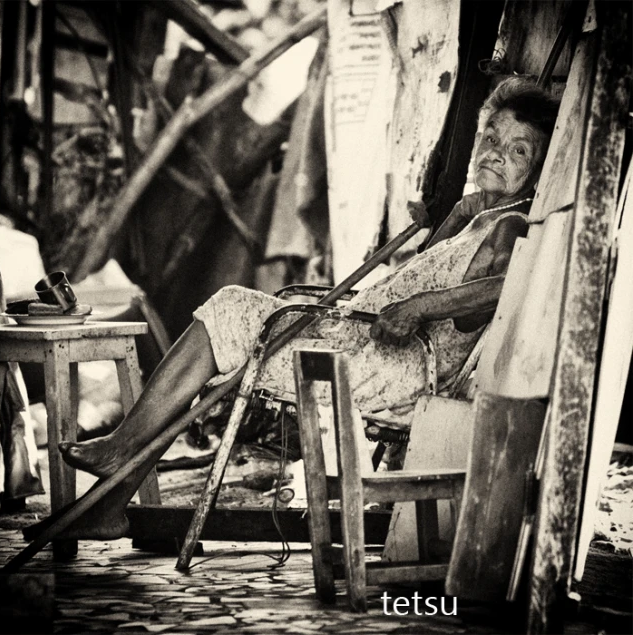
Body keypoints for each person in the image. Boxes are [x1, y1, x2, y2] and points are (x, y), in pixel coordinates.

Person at [49, 77, 558, 539]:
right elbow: (431, 264)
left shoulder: (512, 227)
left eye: (518, 151)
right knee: (225, 328)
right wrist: (457, 215)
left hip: (396, 366)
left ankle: (120, 456)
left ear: (537, 169)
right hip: (367, 341)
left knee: (230, 311)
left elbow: (504, 288)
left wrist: (425, 305)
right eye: (491, 138)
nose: (497, 154)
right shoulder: (483, 217)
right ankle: (111, 500)